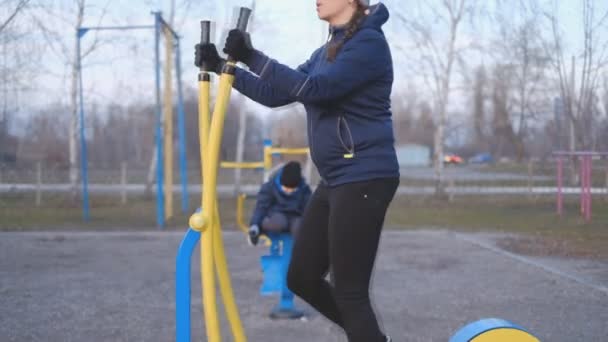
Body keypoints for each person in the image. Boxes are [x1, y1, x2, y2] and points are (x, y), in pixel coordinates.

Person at [195, 1, 399, 341]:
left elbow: (317, 90)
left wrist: (252, 55)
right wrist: (221, 67)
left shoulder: (368, 44)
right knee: (301, 277)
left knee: (350, 292)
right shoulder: (326, 51)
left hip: (364, 176)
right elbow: (276, 94)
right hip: (335, 179)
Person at [247, 161, 312, 246]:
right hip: (277, 215)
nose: (288, 191)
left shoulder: (304, 190)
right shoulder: (270, 187)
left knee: (300, 227)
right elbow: (261, 207)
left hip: (295, 216)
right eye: (286, 188)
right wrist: (254, 225)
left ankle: (298, 253)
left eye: (292, 190)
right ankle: (259, 230)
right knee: (279, 222)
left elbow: (309, 209)